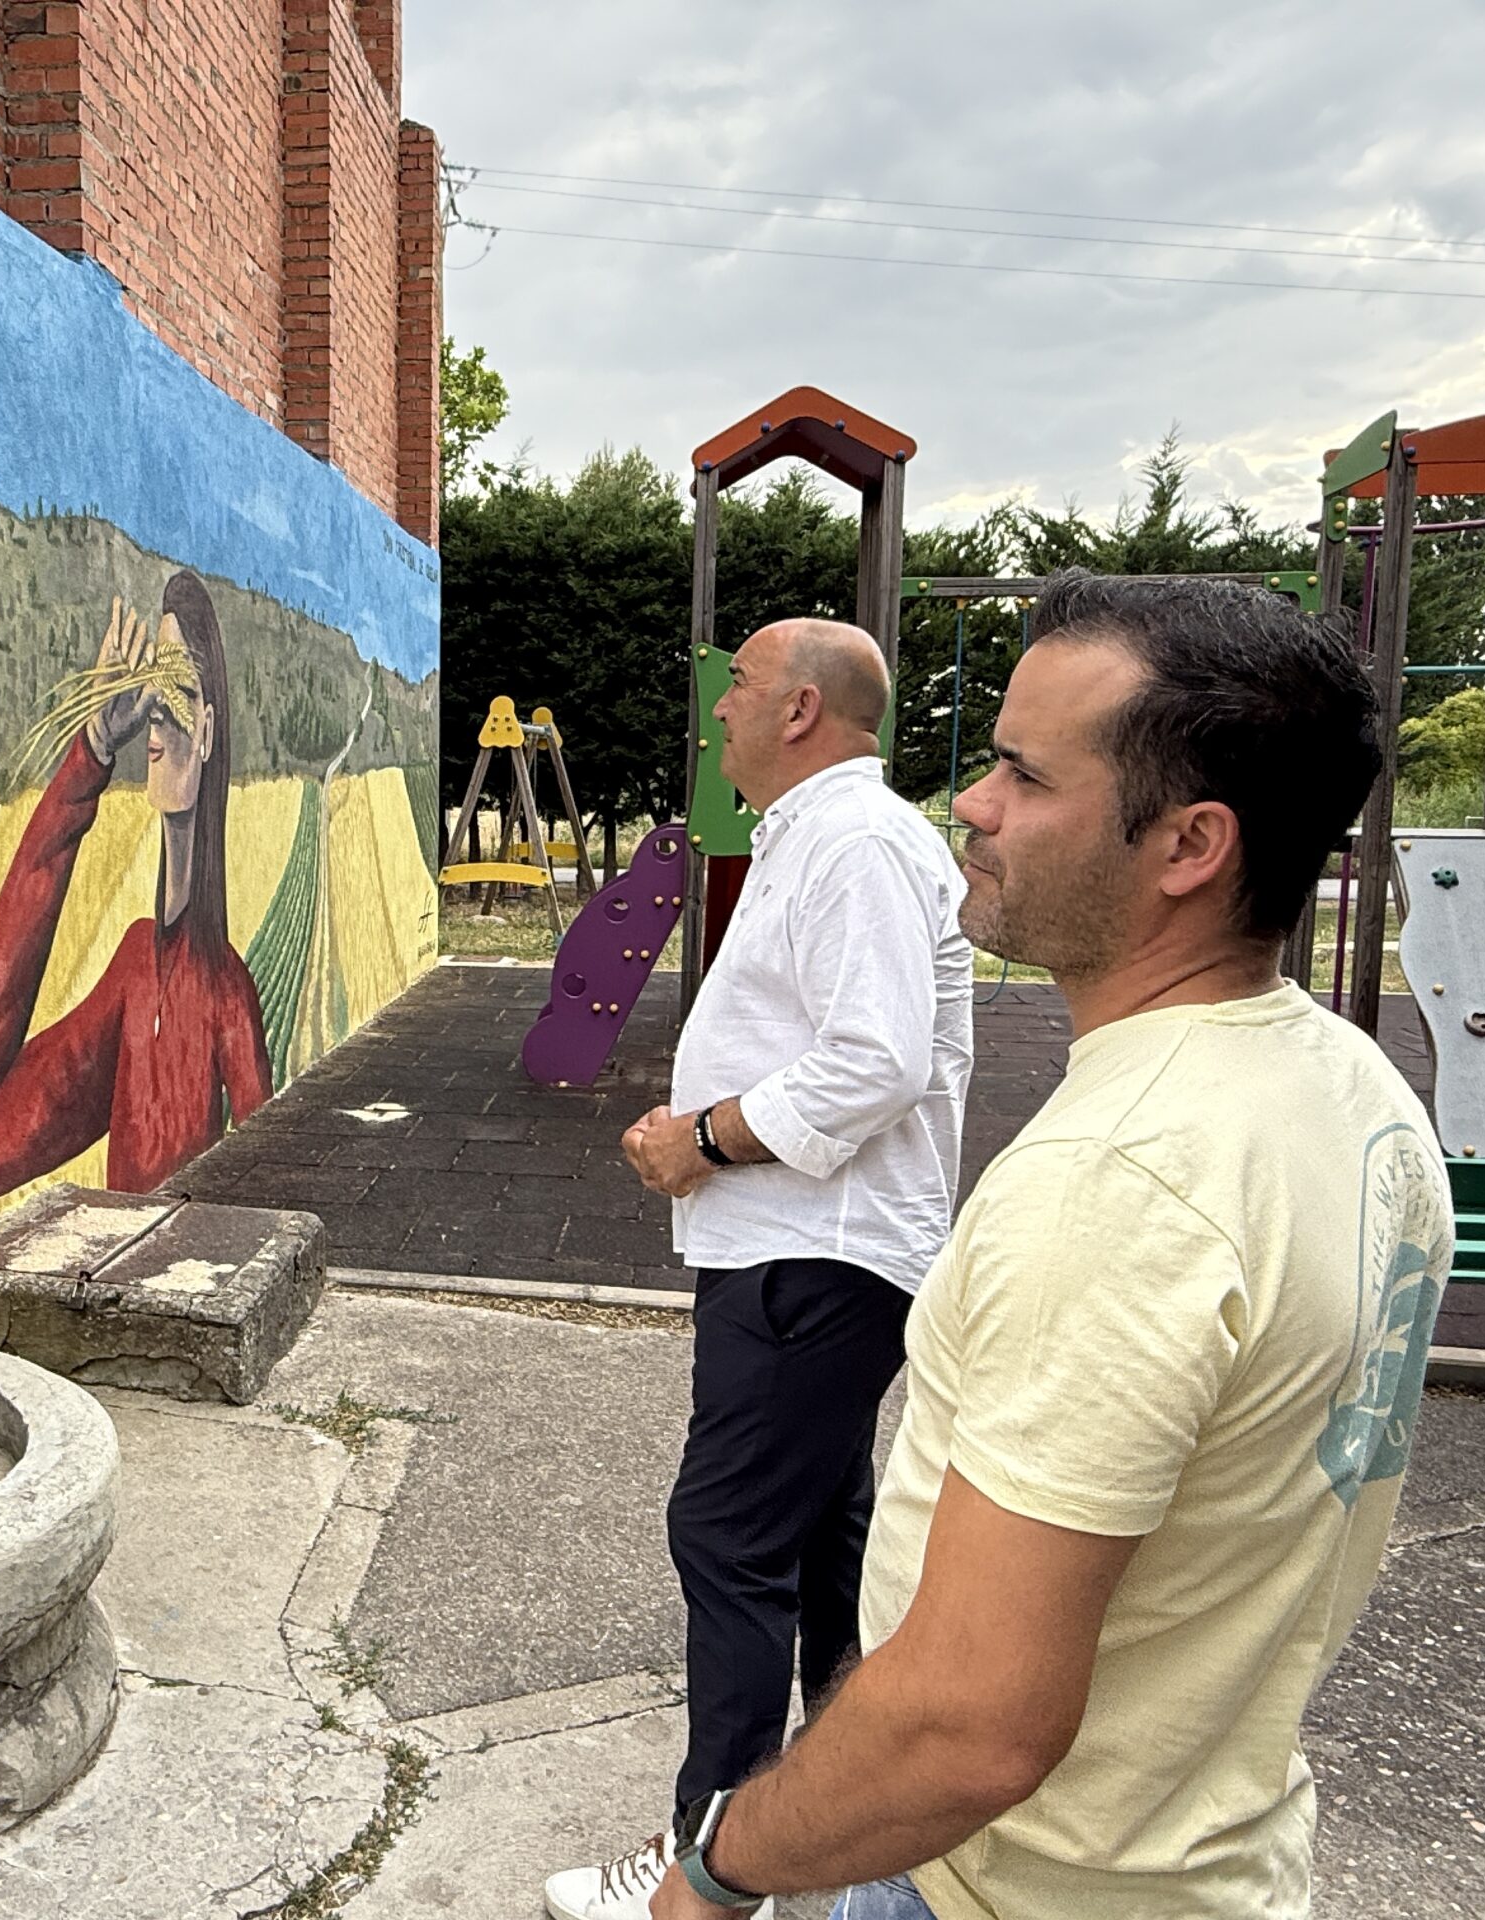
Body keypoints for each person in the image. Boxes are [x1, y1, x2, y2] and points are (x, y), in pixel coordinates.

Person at [640, 570, 1451, 1920]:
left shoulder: (1116, 1187)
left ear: (1188, 846)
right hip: (1205, 1853)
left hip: (1009, 1886)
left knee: (737, 1535)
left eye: (1023, 772)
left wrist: (720, 1869)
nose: (970, 802)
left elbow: (971, 1726)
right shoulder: (1359, 1098)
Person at [547, 619, 974, 1920]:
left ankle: (709, 1875)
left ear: (800, 711)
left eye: (733, 689)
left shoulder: (851, 841)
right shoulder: (829, 836)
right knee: (818, 1543)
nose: (714, 713)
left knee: (726, 1535)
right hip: (811, 1252)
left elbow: (878, 1058)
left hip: (814, 1255)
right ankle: (845, 1842)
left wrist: (706, 1140)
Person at [0, 572, 272, 1205]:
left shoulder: (226, 990)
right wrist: (90, 751)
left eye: (175, 694)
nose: (153, 726)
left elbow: (264, 1194)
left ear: (206, 729)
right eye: (148, 695)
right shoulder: (135, 968)